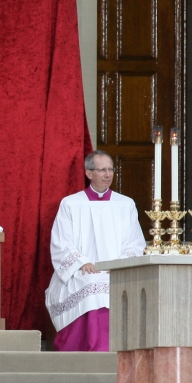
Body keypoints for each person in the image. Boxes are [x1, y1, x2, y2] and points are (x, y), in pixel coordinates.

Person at [45, 150, 145, 351]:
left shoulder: (125, 204)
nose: (108, 174)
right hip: (83, 269)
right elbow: (61, 241)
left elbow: (134, 242)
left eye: (110, 169)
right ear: (89, 173)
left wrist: (118, 265)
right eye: (102, 170)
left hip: (116, 270)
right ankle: (89, 349)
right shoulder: (71, 204)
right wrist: (82, 262)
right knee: (91, 284)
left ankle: (120, 349)